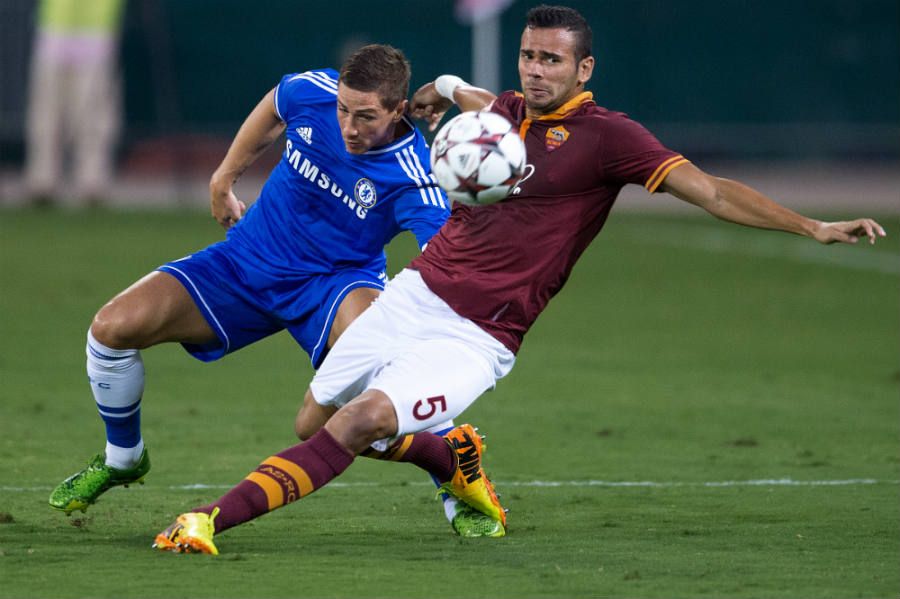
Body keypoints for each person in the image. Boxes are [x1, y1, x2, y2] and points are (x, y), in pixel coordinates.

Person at [151, 5, 886, 554]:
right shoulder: (504, 113)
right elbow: (477, 98)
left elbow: (714, 191)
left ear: (583, 70)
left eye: (552, 60)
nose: (536, 70)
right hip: (416, 293)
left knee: (361, 420)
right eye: (529, 56)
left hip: (479, 335)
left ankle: (208, 520)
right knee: (312, 422)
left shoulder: (610, 139)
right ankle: (451, 456)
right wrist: (441, 86)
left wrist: (812, 226)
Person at [48, 44, 500, 537]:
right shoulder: (315, 91)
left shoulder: (415, 177)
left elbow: (444, 257)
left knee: (354, 398)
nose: (348, 127)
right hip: (247, 260)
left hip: (334, 284)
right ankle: (123, 458)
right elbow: (275, 105)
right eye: (343, 110)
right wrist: (225, 176)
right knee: (112, 329)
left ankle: (452, 470)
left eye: (365, 117)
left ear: (398, 110)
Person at [24, 0, 126, 205]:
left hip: (97, 28)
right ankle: (43, 180)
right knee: (47, 111)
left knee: (93, 113)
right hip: (55, 26)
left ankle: (92, 181)